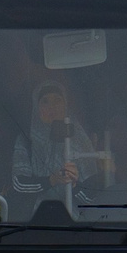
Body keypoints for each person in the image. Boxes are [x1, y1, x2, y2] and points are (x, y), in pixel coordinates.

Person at [10, 81, 106, 218]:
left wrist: (73, 184)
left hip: (77, 227)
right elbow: (19, 183)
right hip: (33, 225)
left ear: (65, 105)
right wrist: (52, 180)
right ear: (37, 108)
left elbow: (93, 196)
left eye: (57, 100)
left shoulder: (79, 139)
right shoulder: (26, 140)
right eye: (45, 102)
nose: (52, 107)